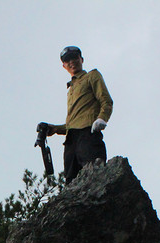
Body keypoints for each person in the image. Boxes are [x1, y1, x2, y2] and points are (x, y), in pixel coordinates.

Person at [41, 45, 113, 184]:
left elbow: (106, 100)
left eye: (74, 58)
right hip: (71, 140)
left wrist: (102, 118)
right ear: (64, 66)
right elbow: (72, 123)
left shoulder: (92, 76)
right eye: (67, 60)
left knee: (93, 171)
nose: (72, 62)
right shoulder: (71, 89)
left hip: (88, 132)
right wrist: (54, 128)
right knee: (71, 181)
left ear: (81, 59)